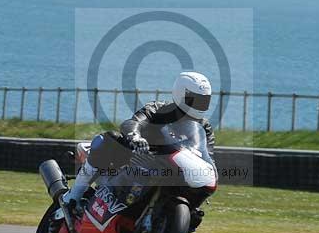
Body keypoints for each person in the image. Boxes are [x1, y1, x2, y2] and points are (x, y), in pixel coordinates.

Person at [60, 71, 215, 217]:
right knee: (109, 138)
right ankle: (73, 197)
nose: (199, 105)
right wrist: (135, 137)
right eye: (195, 100)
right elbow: (133, 122)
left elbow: (207, 155)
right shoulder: (158, 109)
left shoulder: (205, 127)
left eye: (203, 101)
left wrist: (211, 170)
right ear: (181, 94)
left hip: (172, 169)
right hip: (137, 158)